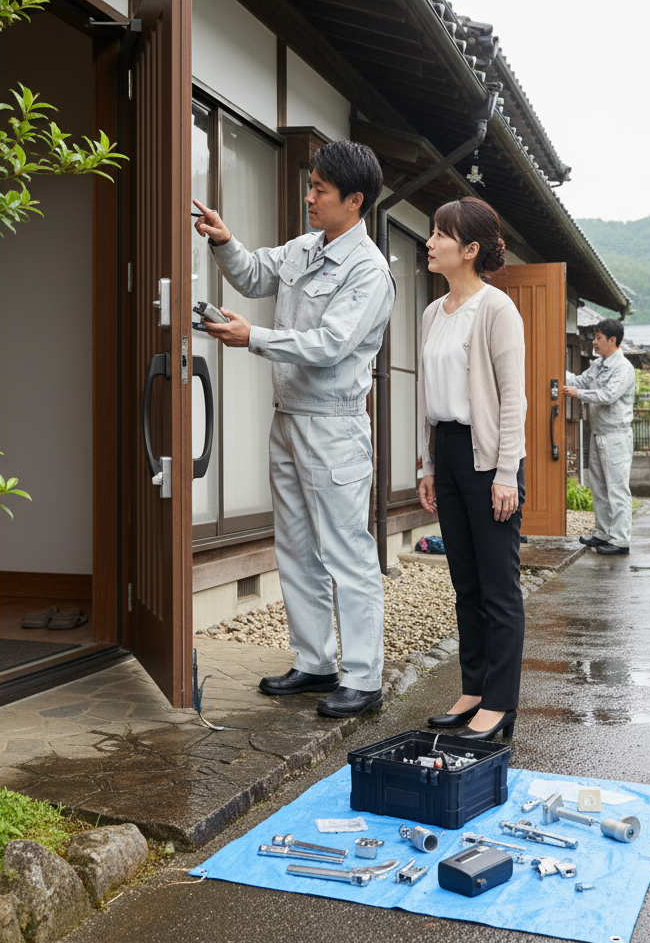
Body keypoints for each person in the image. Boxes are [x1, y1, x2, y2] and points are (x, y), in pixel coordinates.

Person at [192, 141, 394, 718]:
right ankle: (315, 663)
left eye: (320, 191)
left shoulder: (369, 271)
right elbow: (256, 276)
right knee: (297, 548)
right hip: (288, 420)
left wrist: (252, 338)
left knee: (347, 552)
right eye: (310, 185)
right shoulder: (307, 248)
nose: (309, 197)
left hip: (333, 427)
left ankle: (363, 676)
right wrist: (225, 240)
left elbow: (330, 345)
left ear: (353, 201)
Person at [416, 198, 526, 741]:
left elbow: (513, 398)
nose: (430, 241)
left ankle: (501, 702)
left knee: (498, 585)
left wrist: (507, 472)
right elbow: (424, 395)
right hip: (449, 453)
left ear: (470, 250)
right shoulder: (432, 313)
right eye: (433, 232)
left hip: (489, 460)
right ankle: (475, 687)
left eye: (441, 234)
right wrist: (426, 461)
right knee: (465, 583)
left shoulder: (497, 309)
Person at [562, 319, 635, 555]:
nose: (594, 342)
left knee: (617, 488)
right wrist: (553, 363)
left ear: (612, 341)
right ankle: (603, 534)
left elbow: (608, 395)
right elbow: (579, 380)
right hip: (598, 433)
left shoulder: (623, 368)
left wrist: (578, 393)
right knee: (600, 487)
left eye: (598, 338)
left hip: (616, 435)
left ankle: (620, 540)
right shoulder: (598, 365)